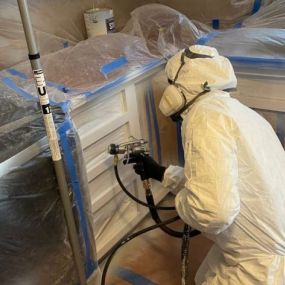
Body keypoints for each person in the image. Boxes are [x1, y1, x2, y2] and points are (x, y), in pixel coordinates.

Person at [133, 45, 285, 284]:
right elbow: (216, 180)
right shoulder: (237, 112)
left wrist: (183, 203)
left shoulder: (203, 118)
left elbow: (212, 212)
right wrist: (161, 173)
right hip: (264, 246)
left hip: (260, 266)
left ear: (179, 88)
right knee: (205, 274)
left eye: (170, 84)